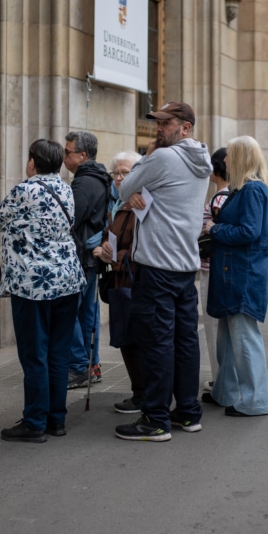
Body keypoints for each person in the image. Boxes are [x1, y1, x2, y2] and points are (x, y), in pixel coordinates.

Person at [114, 101, 212, 441]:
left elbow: (123, 187)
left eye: (166, 123)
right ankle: (187, 412)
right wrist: (143, 188)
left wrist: (140, 181)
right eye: (157, 123)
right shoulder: (201, 157)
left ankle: (155, 419)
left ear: (185, 127)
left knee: (156, 343)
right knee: (185, 342)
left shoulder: (164, 157)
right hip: (185, 266)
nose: (159, 128)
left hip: (156, 268)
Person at [0, 140, 86, 442]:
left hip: (33, 283)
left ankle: (34, 422)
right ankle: (55, 420)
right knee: (58, 354)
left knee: (34, 354)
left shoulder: (24, 189)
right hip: (67, 280)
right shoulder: (66, 189)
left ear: (33, 162)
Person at [202, 136, 268, 417]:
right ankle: (226, 391)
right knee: (229, 338)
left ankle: (255, 400)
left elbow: (249, 232)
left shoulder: (252, 190)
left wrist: (214, 230)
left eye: (230, 155)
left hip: (242, 274)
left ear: (241, 158)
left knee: (243, 337)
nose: (226, 160)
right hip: (236, 272)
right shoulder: (244, 189)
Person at [93, 151, 144, 414]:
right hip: (119, 278)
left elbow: (144, 243)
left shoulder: (138, 202)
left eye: (126, 172)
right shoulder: (118, 203)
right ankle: (140, 392)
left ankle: (143, 395)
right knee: (125, 339)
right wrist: (104, 247)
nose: (120, 178)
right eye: (117, 173)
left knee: (135, 339)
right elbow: (111, 235)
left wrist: (115, 256)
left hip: (133, 279)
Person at [63, 131, 113, 389]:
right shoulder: (100, 177)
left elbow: (73, 220)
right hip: (90, 259)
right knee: (88, 313)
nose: (64, 156)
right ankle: (91, 366)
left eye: (67, 152)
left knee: (70, 312)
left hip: (82, 257)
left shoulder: (84, 183)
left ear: (82, 156)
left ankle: (79, 366)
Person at [199, 147, 229, 392]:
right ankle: (222, 376)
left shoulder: (220, 198)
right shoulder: (226, 195)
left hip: (212, 268)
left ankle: (220, 378)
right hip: (217, 268)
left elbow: (218, 231)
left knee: (214, 326)